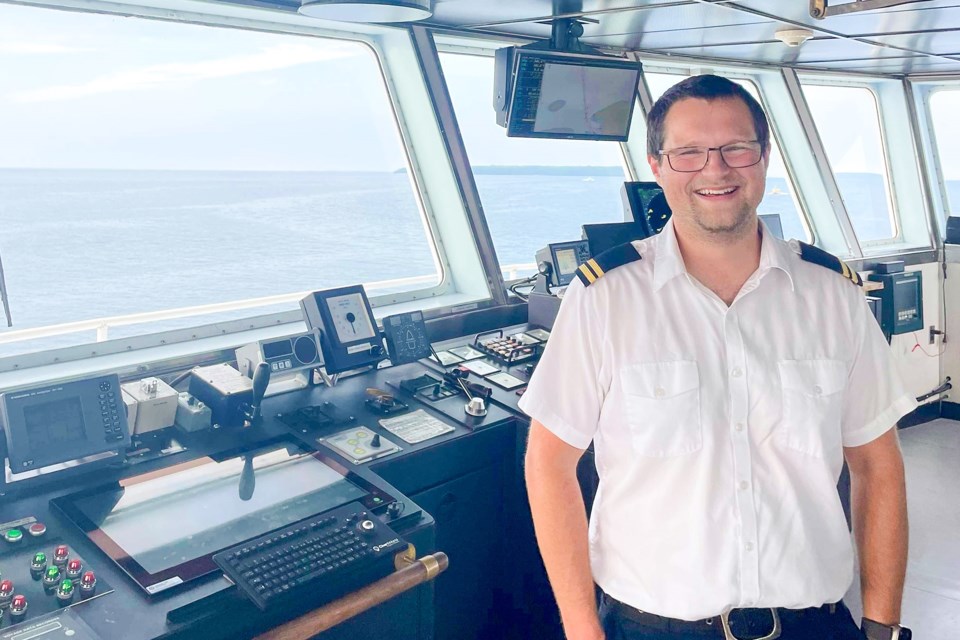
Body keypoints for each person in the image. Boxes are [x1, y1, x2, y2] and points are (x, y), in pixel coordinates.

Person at [519, 74, 915, 640]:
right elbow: (549, 465)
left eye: (736, 147)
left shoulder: (834, 296)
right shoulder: (604, 298)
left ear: (764, 157)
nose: (716, 169)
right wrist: (583, 628)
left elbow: (878, 465)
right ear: (657, 166)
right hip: (653, 627)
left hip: (814, 625)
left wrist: (881, 625)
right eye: (688, 152)